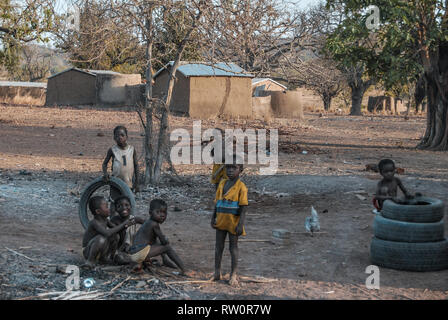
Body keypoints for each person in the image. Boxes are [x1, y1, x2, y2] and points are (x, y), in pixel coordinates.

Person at [210, 156, 248, 286]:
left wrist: (240, 224)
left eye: (234, 168)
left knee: (233, 248)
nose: (230, 170)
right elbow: (217, 202)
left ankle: (233, 274)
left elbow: (243, 208)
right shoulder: (222, 183)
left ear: (240, 169)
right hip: (221, 220)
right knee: (218, 247)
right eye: (228, 167)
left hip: (233, 222)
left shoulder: (241, 187)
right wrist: (213, 217)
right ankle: (216, 272)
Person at [128, 199, 189, 274]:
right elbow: (164, 242)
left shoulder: (148, 222)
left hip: (133, 253)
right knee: (167, 247)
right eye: (158, 212)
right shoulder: (154, 224)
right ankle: (184, 270)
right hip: (138, 254)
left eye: (164, 212)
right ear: (150, 213)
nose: (162, 215)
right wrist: (166, 240)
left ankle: (164, 260)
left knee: (156, 240)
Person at [82, 196, 135, 268]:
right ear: (98, 211)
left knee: (115, 236)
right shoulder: (94, 223)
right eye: (106, 207)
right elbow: (107, 233)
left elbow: (116, 229)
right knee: (101, 238)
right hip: (87, 251)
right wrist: (124, 224)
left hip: (100, 248)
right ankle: (90, 261)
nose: (109, 209)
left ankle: (109, 257)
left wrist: (126, 225)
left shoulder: (106, 220)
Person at [102, 126, 140, 214]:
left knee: (128, 205)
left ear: (127, 137)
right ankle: (112, 224)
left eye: (122, 135)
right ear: (114, 138)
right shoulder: (112, 150)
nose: (120, 137)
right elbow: (104, 164)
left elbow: (136, 166)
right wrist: (105, 174)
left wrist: (137, 182)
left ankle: (127, 226)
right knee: (113, 205)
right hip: (115, 182)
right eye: (117, 136)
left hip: (128, 183)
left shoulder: (132, 149)